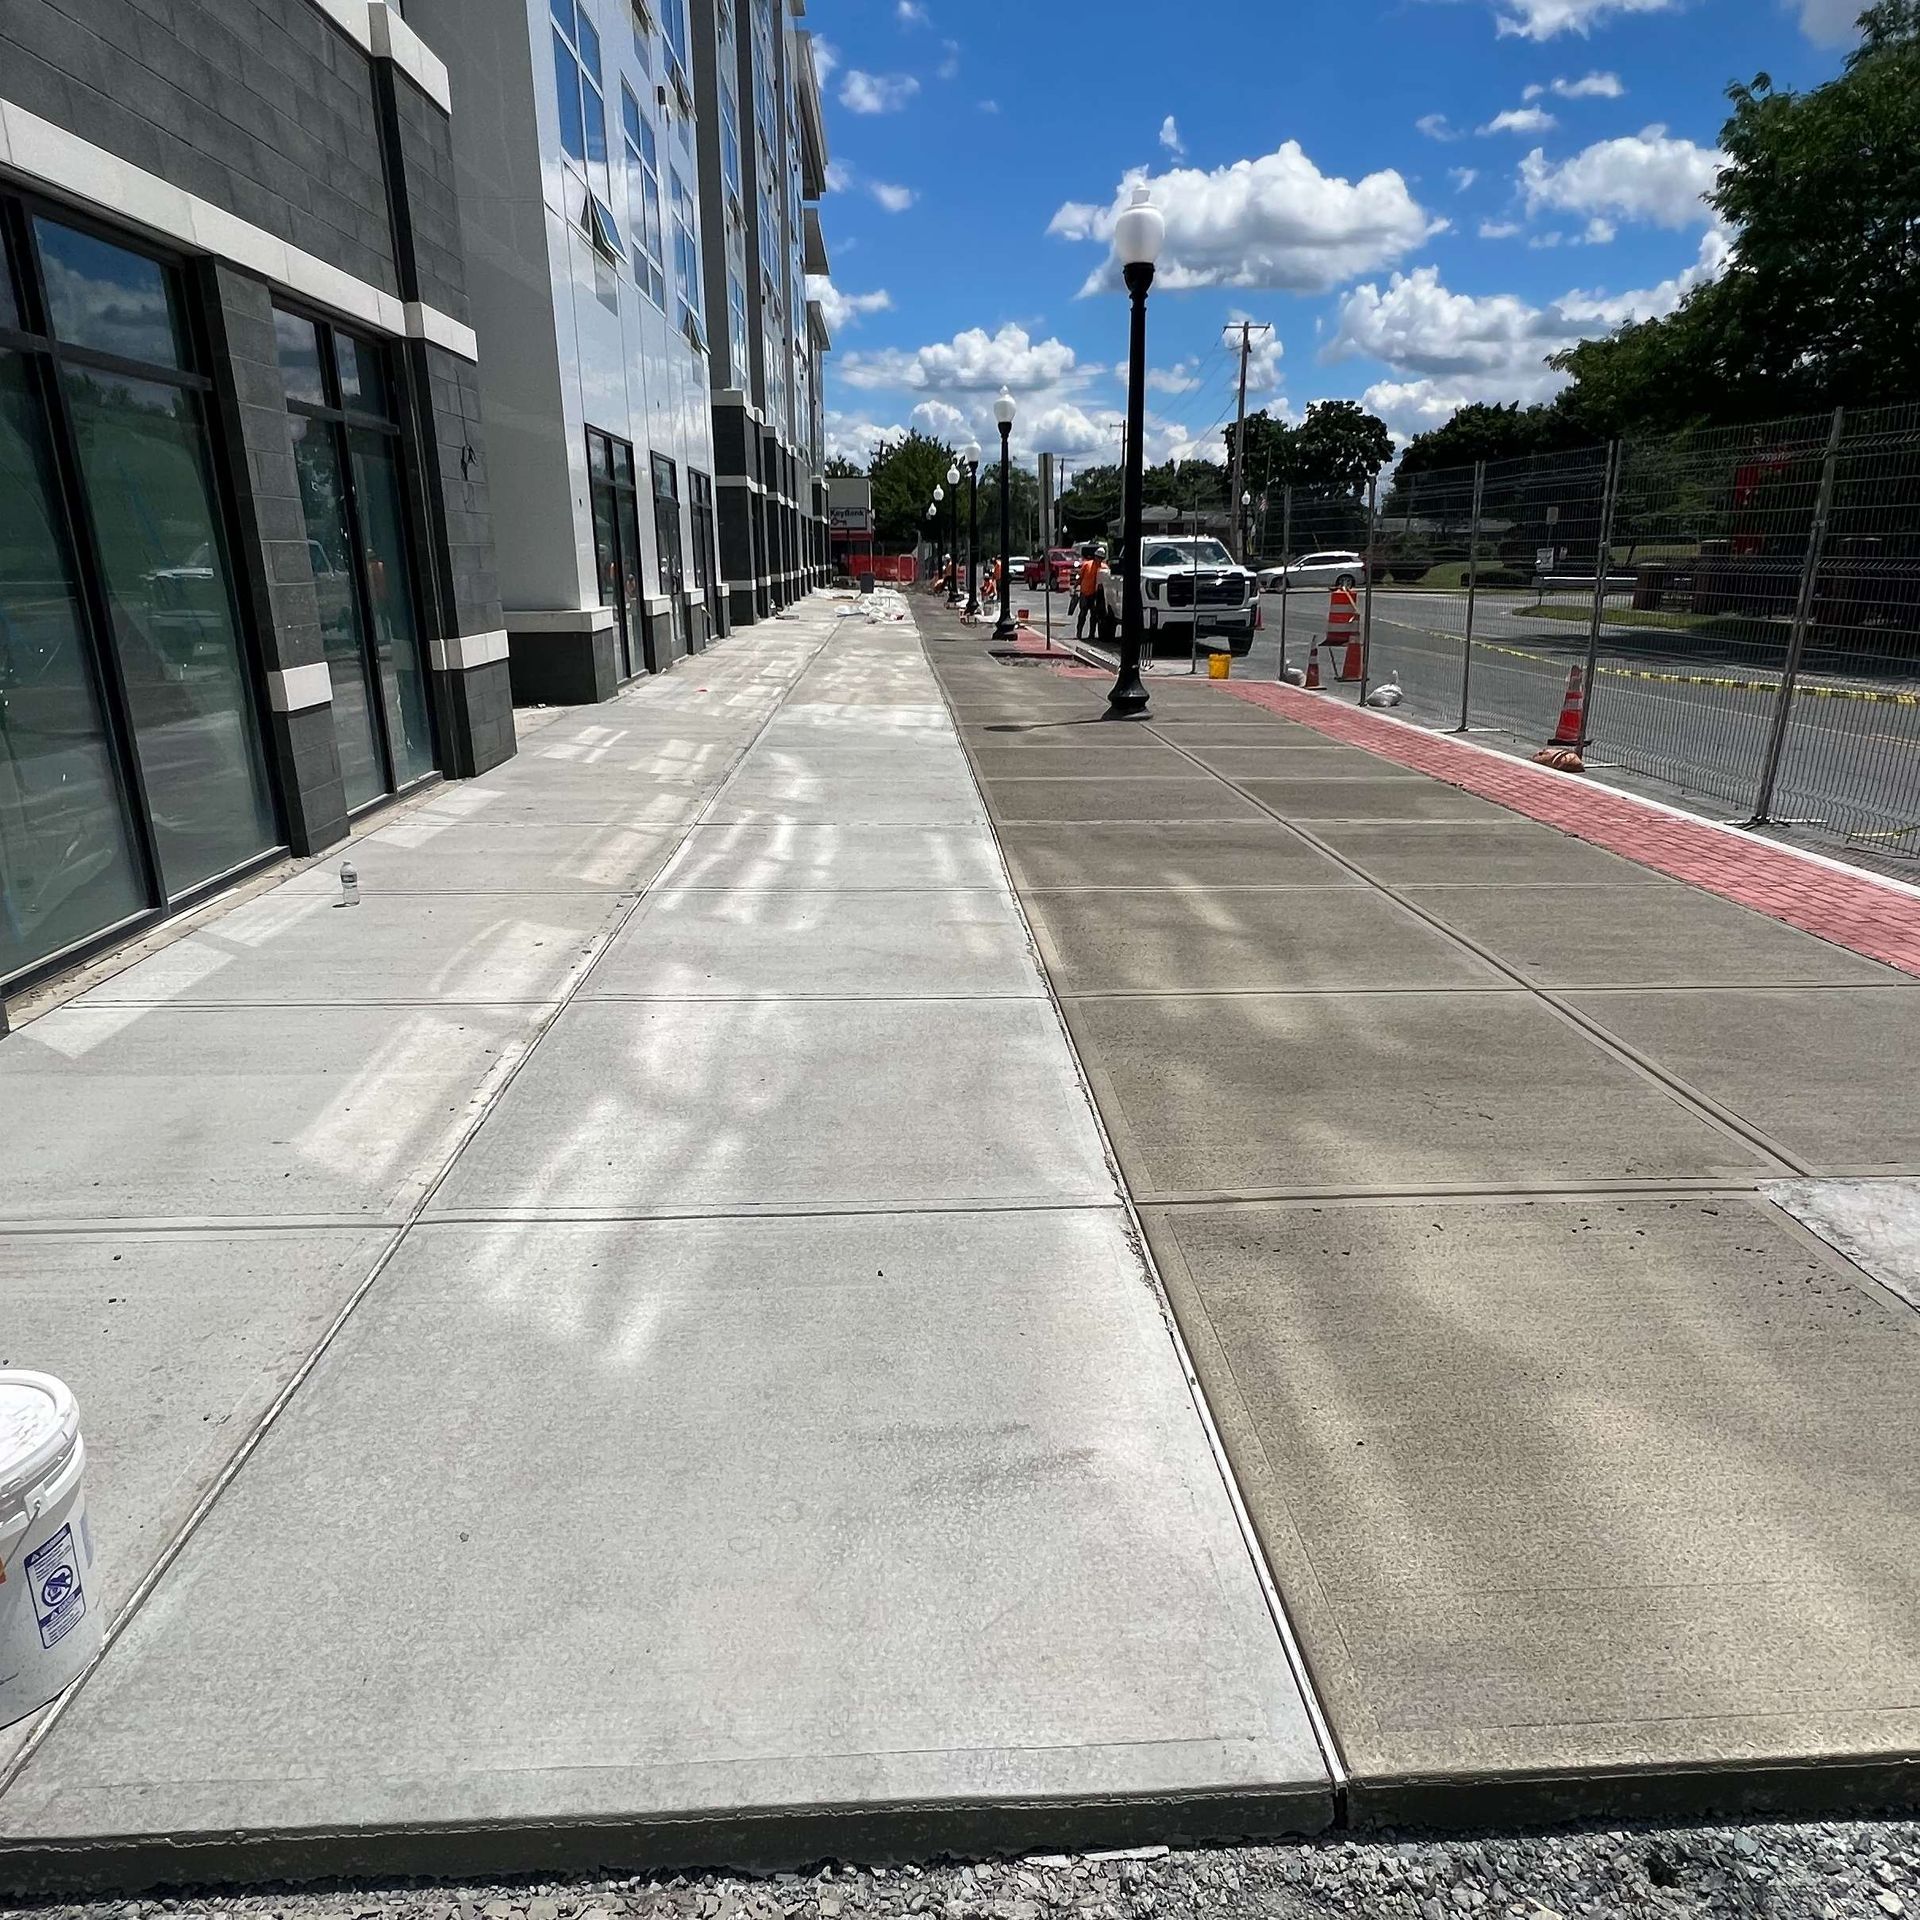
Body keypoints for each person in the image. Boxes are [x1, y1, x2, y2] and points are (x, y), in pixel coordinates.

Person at [1075, 545, 1103, 640]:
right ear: (1095, 556)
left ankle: (1091, 634)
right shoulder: (1087, 565)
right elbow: (1080, 577)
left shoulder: (1104, 568)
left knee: (1094, 616)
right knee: (1083, 614)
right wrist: (1075, 587)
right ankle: (1079, 633)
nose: (1099, 559)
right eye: (1097, 557)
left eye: (1101, 558)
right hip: (1085, 593)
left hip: (1095, 595)